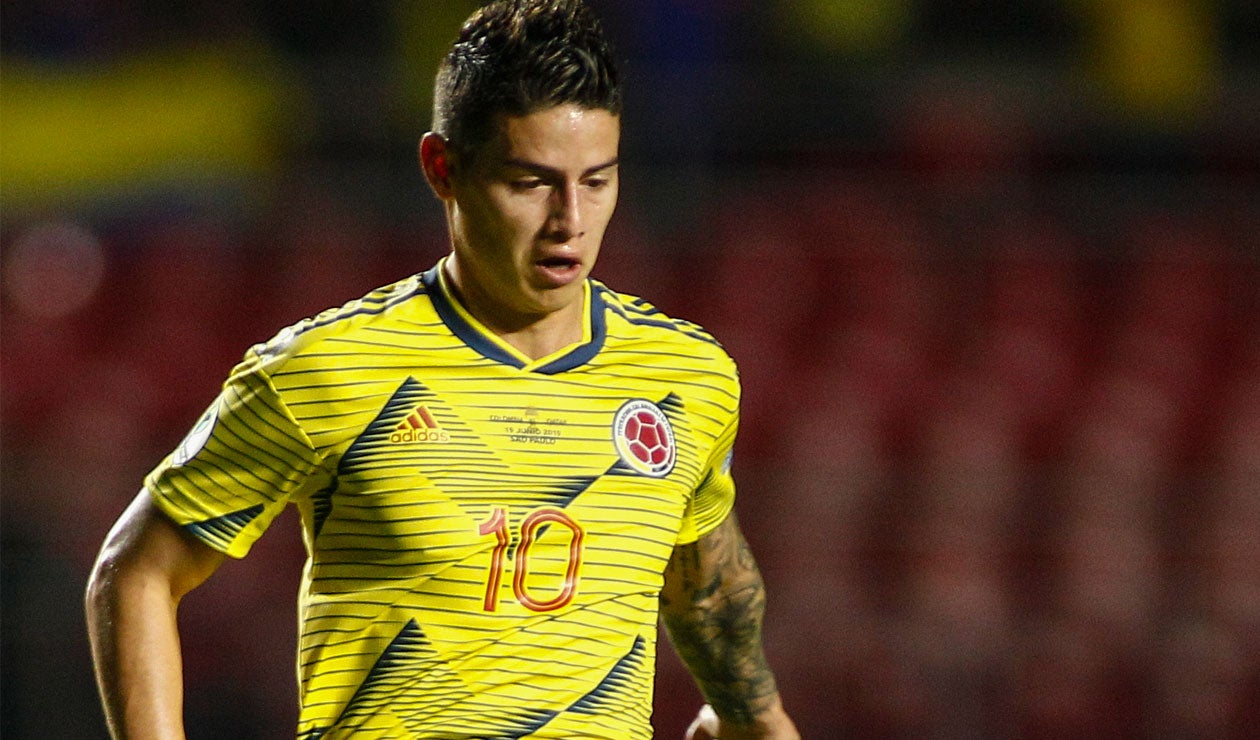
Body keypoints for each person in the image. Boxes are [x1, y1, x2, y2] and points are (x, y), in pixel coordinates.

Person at [84, 1, 800, 738]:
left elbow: (706, 585)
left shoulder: (686, 375)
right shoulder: (329, 370)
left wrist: (758, 715)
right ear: (443, 168)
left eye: (597, 181)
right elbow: (134, 572)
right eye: (531, 182)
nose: (570, 220)